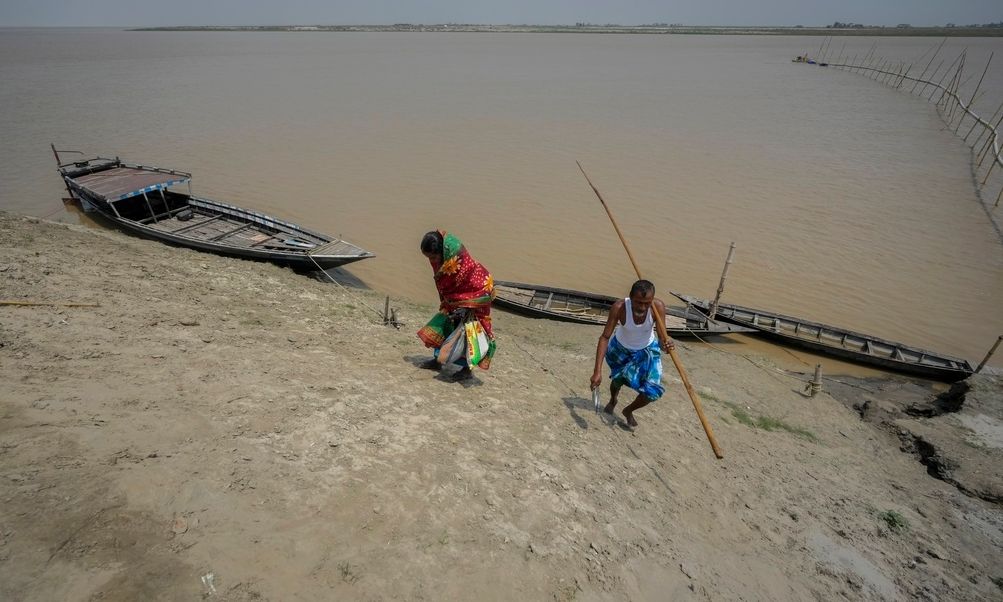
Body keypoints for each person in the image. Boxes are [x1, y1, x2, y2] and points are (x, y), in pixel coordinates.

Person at [590, 279, 674, 428]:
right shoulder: (619, 307)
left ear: (652, 300)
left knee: (651, 392)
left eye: (646, 303)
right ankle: (613, 400)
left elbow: (662, 340)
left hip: (647, 350)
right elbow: (604, 337)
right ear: (630, 297)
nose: (642, 307)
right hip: (621, 348)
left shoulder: (658, 307)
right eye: (638, 302)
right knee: (618, 381)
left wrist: (666, 345)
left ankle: (628, 410)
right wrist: (597, 371)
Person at [417, 230, 496, 378]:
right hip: (455, 299)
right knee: (447, 325)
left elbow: (478, 288)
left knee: (468, 333)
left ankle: (467, 370)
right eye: (429, 258)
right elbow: (446, 282)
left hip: (477, 295)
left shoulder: (461, 262)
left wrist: (465, 307)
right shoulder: (443, 261)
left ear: (443, 252)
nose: (432, 261)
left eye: (433, 257)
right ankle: (438, 360)